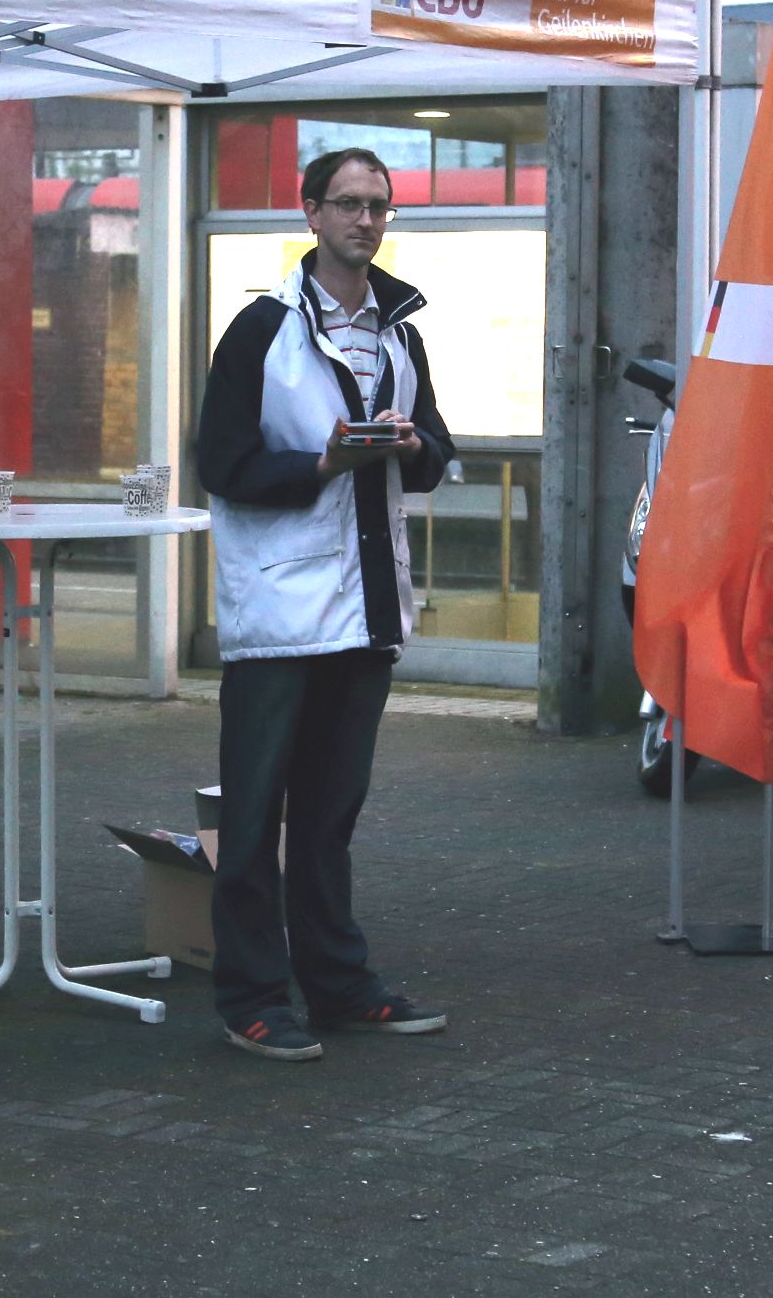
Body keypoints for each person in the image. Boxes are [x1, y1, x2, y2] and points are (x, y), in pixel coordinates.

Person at [196, 147, 457, 1062]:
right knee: (255, 811)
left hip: (365, 605)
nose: (366, 220)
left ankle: (338, 986)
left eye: (379, 206)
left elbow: (437, 453)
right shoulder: (262, 330)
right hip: (280, 611)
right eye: (347, 204)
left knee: (330, 814)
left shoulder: (402, 331)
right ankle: (252, 997)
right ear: (309, 214)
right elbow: (220, 464)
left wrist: (406, 442)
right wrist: (319, 464)